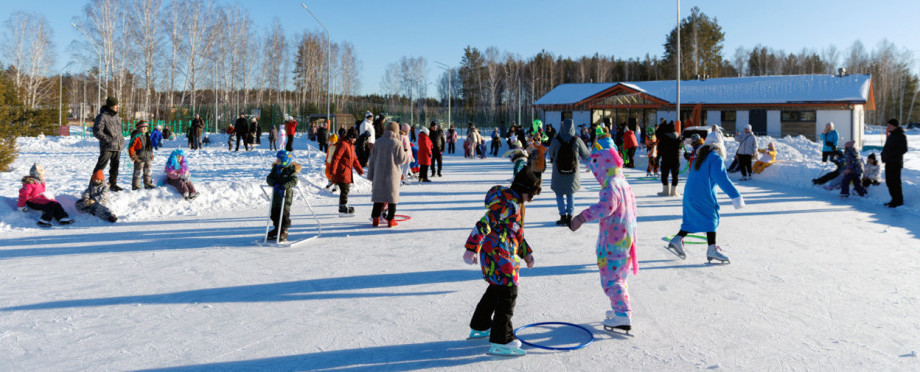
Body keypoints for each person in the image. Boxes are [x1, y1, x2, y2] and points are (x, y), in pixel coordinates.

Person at [462, 167, 539, 356]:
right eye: (531, 194)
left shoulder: (511, 201)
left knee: (496, 290)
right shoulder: (508, 205)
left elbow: (516, 233)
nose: (532, 199)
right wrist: (471, 248)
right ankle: (502, 339)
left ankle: (480, 325)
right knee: (508, 294)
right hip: (500, 257)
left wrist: (526, 253)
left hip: (496, 254)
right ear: (524, 190)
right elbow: (484, 223)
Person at [568, 137, 638, 332]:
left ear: (604, 164)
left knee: (611, 280)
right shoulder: (623, 182)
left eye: (595, 167)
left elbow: (605, 207)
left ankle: (623, 314)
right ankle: (619, 310)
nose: (594, 173)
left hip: (614, 242)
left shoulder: (611, 186)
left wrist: (581, 218)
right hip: (625, 238)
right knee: (619, 277)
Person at [666, 142, 745, 263]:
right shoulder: (715, 158)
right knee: (711, 219)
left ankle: (677, 239)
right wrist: (736, 196)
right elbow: (722, 179)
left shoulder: (700, 157)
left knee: (692, 219)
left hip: (690, 195)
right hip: (702, 195)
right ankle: (712, 249)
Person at [548, 119, 591, 226]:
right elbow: (586, 155)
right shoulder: (577, 140)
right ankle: (570, 216)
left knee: (559, 194)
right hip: (573, 172)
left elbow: (550, 154)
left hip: (558, 171)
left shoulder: (556, 139)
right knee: (570, 193)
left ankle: (562, 216)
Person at [367, 122, 409, 228]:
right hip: (392, 173)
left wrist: (371, 175)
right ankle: (390, 219)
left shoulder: (378, 142)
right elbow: (401, 159)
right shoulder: (397, 143)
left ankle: (375, 218)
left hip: (379, 173)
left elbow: (372, 160)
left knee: (378, 197)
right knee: (392, 198)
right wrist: (404, 152)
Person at [266, 150, 301, 242]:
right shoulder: (275, 168)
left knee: (284, 213)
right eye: (277, 159)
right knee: (274, 213)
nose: (277, 161)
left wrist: (283, 186)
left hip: (286, 195)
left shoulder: (290, 170)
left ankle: (284, 230)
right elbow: (269, 178)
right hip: (276, 194)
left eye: (279, 160)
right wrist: (275, 183)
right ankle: (277, 229)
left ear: (285, 161)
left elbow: (294, 180)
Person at [92, 96, 125, 192]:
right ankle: (94, 184)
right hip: (107, 147)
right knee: (101, 166)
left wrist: (121, 140)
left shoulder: (116, 117)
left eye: (117, 105)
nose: (117, 107)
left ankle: (113, 183)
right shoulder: (102, 116)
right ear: (110, 106)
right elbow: (97, 131)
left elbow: (119, 131)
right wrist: (108, 139)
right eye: (115, 105)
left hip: (118, 146)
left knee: (115, 166)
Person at [330, 128, 364, 215]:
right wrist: (333, 170)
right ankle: (342, 207)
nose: (355, 140)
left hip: (346, 171)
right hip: (341, 171)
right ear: (351, 137)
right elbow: (336, 157)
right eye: (355, 138)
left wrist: (360, 170)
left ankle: (343, 205)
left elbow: (354, 159)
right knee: (345, 189)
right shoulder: (343, 144)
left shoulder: (350, 145)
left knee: (345, 189)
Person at [881, 118, 908, 208]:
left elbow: (904, 149)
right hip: (889, 162)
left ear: (894, 126)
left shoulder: (900, 135)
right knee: (889, 182)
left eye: (889, 125)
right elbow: (887, 148)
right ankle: (894, 199)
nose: (888, 127)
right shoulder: (892, 135)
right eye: (887, 125)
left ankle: (898, 200)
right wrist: (883, 155)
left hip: (895, 163)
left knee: (895, 182)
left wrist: (891, 155)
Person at [656, 121, 682, 196]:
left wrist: (657, 160)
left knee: (664, 175)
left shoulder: (663, 137)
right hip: (676, 159)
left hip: (666, 159)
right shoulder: (678, 137)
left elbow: (660, 150)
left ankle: (665, 191)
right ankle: (674, 192)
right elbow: (679, 148)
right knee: (675, 175)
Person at [128, 121, 155, 190]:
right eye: (143, 127)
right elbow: (131, 147)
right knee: (138, 171)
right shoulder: (136, 136)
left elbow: (149, 147)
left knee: (148, 170)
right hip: (139, 157)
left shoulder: (147, 136)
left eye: (146, 127)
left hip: (148, 157)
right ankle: (136, 185)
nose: (144, 129)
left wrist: (151, 154)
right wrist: (133, 156)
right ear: (138, 128)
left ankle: (148, 183)